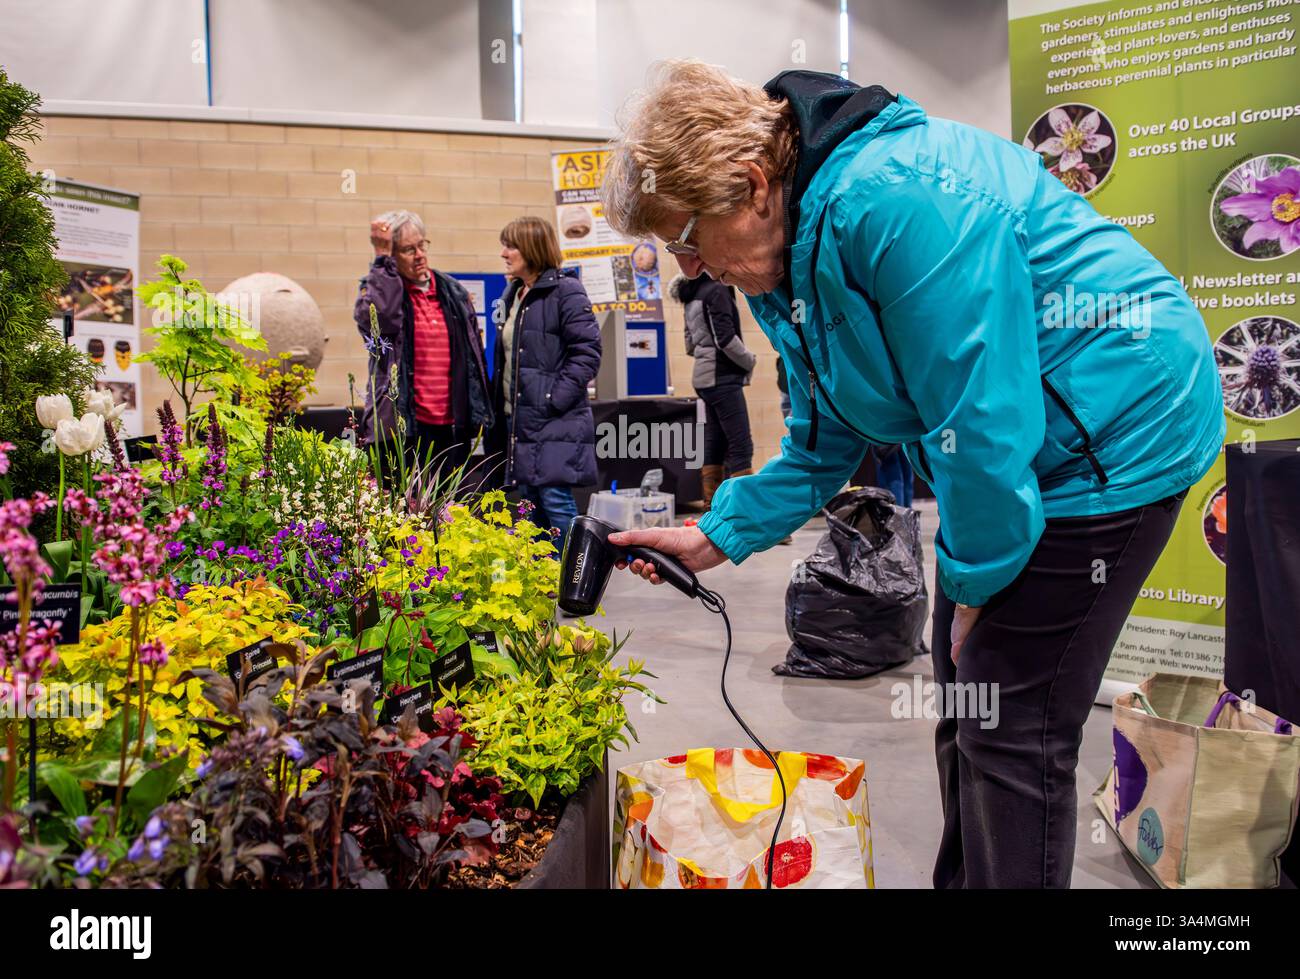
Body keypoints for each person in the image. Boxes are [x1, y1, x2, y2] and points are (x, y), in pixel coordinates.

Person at [599, 61, 1224, 889]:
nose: (686, 268)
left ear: (748, 184)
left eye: (682, 239)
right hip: (1017, 444)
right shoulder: (788, 250)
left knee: (1009, 722)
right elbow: (825, 432)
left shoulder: (896, 199)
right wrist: (718, 531)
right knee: (963, 695)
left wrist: (974, 585)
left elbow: (981, 423)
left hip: (1115, 430)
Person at [354, 210, 494, 482]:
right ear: (393, 257)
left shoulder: (451, 291)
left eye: (422, 245)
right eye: (408, 249)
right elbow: (379, 319)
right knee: (402, 513)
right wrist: (382, 261)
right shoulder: (381, 288)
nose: (419, 255)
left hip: (451, 427)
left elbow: (475, 354)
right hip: (403, 426)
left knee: (449, 513)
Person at [494, 216, 601, 553]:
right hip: (520, 420)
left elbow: (587, 352)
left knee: (556, 504)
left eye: (510, 245)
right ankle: (543, 585)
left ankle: (576, 583)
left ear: (531, 248)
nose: (504, 253)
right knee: (530, 507)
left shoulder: (565, 291)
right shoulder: (514, 294)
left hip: (554, 419)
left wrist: (553, 398)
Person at [671, 273, 756, 507]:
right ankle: (745, 512)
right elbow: (726, 340)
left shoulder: (691, 294)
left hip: (703, 378)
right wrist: (750, 360)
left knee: (715, 443)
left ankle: (712, 506)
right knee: (741, 445)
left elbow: (689, 344)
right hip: (723, 377)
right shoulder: (717, 290)